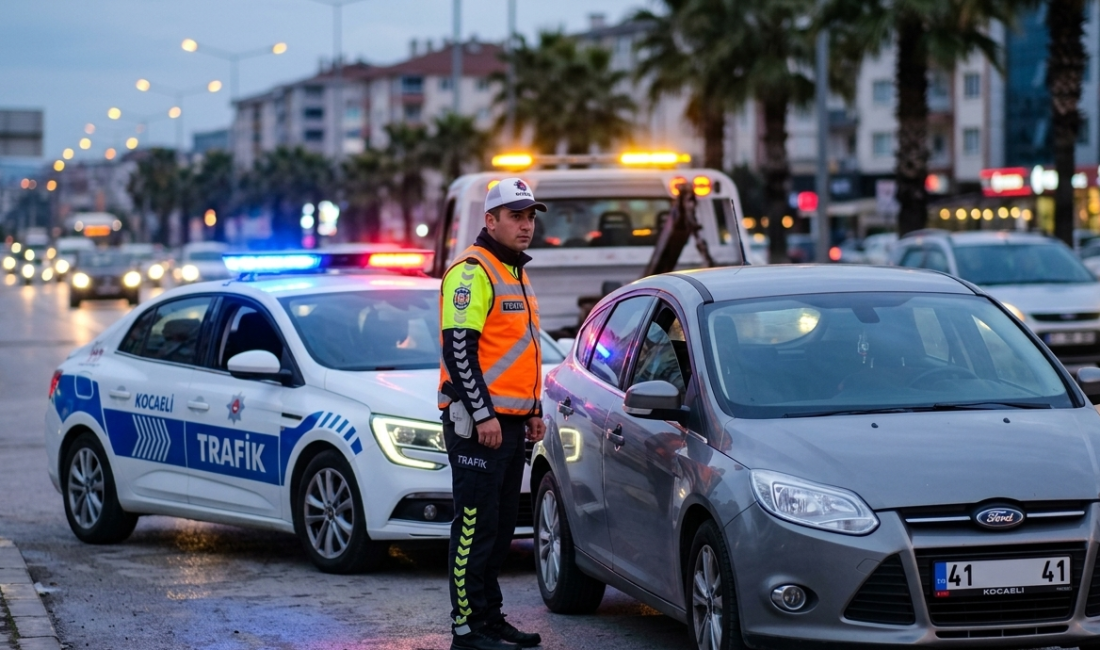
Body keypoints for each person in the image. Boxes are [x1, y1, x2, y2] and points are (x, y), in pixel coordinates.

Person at [438, 177, 548, 650]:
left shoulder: (515, 272)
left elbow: (521, 352)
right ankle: (467, 630)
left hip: (509, 423)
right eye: (515, 217)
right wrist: (483, 416)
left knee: (500, 530)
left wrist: (534, 409)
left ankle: (490, 618)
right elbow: (459, 351)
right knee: (473, 529)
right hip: (477, 424)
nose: (526, 226)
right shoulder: (471, 271)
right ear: (491, 221)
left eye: (530, 217)